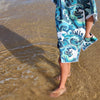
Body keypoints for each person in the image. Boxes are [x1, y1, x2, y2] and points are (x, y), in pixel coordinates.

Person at [50, 0, 98, 98]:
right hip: (62, 29)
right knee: (66, 56)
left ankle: (62, 87)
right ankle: (67, 73)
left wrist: (87, 33)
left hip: (76, 30)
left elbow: (91, 15)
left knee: (63, 60)